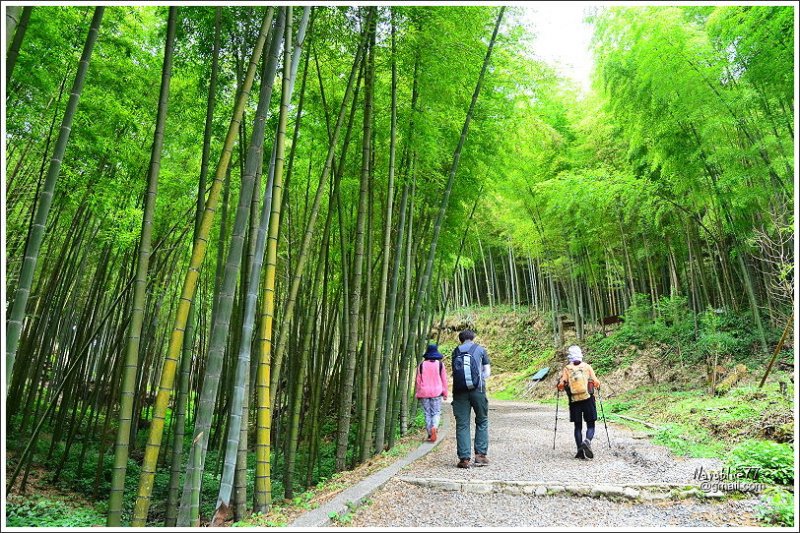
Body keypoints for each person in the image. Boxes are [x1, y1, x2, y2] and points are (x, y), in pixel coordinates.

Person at [451, 330, 491, 468]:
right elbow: (487, 372)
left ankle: (464, 459)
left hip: (459, 391)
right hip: (478, 390)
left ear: (461, 339)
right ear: (473, 338)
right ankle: (480, 456)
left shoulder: (456, 351)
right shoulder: (480, 350)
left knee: (462, 423)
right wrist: (478, 379)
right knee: (482, 420)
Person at [557, 345, 601, 460]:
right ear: (580, 354)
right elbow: (596, 382)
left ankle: (580, 451)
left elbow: (562, 385)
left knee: (578, 426)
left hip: (574, 401)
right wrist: (596, 384)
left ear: (569, 356)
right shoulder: (587, 367)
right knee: (590, 424)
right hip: (587, 399)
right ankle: (587, 441)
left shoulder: (567, 368)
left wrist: (560, 385)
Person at [415, 343, 449, 442]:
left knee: (427, 413)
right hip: (436, 392)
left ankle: (430, 434)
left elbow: (418, 381)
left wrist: (418, 393)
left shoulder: (421, 365)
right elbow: (444, 380)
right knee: (436, 412)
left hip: (424, 392)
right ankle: (434, 427)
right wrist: (445, 393)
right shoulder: (440, 365)